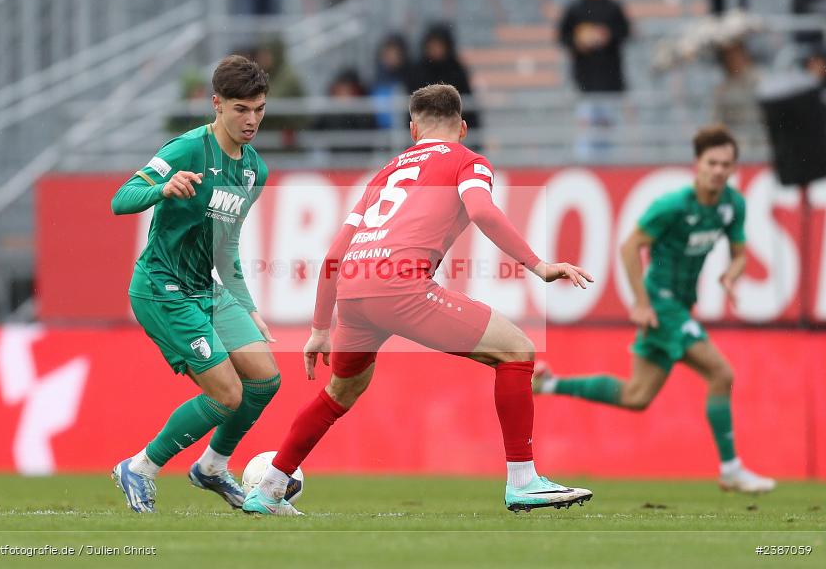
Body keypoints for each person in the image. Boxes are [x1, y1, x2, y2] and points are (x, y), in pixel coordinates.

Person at [242, 83, 595, 516]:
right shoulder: (468, 160)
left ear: (412, 130)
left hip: (353, 289)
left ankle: (269, 490)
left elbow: (335, 252)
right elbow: (483, 211)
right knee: (517, 351)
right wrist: (539, 266)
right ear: (462, 127)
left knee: (340, 391)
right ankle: (523, 482)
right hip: (401, 285)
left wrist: (319, 328)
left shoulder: (386, 172)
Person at [533, 125, 776, 494]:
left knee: (637, 397)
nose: (719, 170)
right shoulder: (672, 206)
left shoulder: (732, 205)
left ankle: (548, 384)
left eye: (726, 164)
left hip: (681, 305)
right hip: (662, 305)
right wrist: (641, 304)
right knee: (721, 373)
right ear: (697, 164)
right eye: (712, 162)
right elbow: (630, 247)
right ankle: (731, 468)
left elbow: (740, 255)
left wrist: (731, 275)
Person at [110, 55, 281, 513]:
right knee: (227, 393)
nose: (251, 120)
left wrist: (246, 305)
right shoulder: (186, 150)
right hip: (161, 286)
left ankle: (210, 468)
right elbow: (120, 199)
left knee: (265, 380)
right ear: (217, 105)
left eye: (259, 109)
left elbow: (227, 247)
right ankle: (140, 467)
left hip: (207, 287)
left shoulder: (254, 170)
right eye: (241, 109)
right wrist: (161, 190)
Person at [558, 0, 630, 94]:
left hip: (610, 72)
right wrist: (578, 41)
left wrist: (609, 35)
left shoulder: (613, 8)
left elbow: (624, 31)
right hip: (584, 72)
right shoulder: (576, 8)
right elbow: (563, 35)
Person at [408, 24, 480, 133]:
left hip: (452, 129)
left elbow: (467, 101)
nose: (436, 50)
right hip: (426, 129)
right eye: (432, 46)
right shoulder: (418, 70)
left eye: (439, 46)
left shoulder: (456, 69)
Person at [312, 67, 378, 153]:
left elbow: (368, 133)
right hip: (336, 159)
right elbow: (315, 129)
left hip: (360, 159)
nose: (344, 94)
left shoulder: (364, 111)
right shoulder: (329, 112)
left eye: (348, 90)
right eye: (341, 90)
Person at [371, 33, 412, 130]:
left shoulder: (411, 78)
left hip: (405, 133)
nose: (390, 57)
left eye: (394, 53)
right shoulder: (376, 80)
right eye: (387, 53)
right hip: (380, 134)